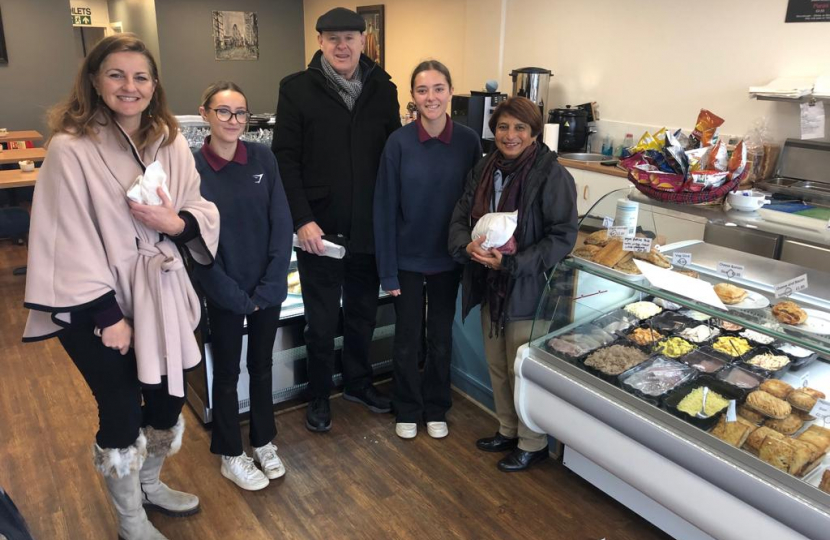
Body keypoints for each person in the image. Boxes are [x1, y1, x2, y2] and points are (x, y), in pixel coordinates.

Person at [21, 35, 219, 539]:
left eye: (141, 77)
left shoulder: (170, 141)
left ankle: (150, 485)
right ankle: (131, 522)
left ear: (154, 86)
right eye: (116, 75)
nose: (129, 87)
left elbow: (199, 208)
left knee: (168, 397)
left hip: (161, 293)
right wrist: (109, 317)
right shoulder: (71, 149)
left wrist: (175, 224)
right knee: (121, 407)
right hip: (93, 305)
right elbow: (66, 237)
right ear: (94, 80)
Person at [273, 7, 401, 432]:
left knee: (363, 313)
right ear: (320, 43)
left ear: (363, 41)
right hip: (320, 230)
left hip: (369, 226)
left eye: (349, 37)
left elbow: (391, 157)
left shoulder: (384, 88)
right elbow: (285, 161)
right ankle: (318, 397)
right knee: (321, 322)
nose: (342, 46)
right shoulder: (296, 89)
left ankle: (358, 383)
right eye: (333, 39)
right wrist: (301, 220)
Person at [448, 97, 578, 472]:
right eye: (504, 127)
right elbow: (460, 216)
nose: (510, 135)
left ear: (534, 132)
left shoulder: (552, 175)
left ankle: (532, 442)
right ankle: (507, 428)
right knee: (498, 364)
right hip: (491, 283)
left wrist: (514, 263)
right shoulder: (485, 167)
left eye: (520, 128)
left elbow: (562, 236)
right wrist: (465, 245)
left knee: (523, 368)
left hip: (527, 289)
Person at [192, 82, 293, 491]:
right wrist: (229, 293)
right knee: (229, 372)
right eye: (224, 112)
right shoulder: (192, 168)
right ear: (205, 114)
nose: (233, 121)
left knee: (262, 366)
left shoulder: (263, 158)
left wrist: (272, 284)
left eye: (240, 113)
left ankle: (263, 441)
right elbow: (194, 240)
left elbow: (281, 222)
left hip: (266, 288)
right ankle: (231, 452)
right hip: (224, 290)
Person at [374, 60, 481, 440]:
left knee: (440, 337)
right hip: (405, 260)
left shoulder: (468, 142)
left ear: (450, 92)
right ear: (413, 97)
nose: (431, 97)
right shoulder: (398, 143)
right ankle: (407, 407)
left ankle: (436, 406)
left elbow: (476, 203)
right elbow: (384, 208)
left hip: (449, 259)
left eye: (438, 88)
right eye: (422, 90)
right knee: (406, 338)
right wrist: (386, 269)